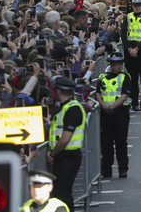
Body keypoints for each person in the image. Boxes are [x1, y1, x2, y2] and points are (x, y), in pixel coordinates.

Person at [47, 76, 86, 212]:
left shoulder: (72, 109)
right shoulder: (66, 108)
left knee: (63, 194)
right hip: (63, 157)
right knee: (61, 193)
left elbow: (65, 138)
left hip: (68, 157)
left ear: (58, 91)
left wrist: (52, 153)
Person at [95, 51, 132, 178]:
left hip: (120, 113)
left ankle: (122, 169)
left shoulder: (125, 77)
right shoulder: (102, 77)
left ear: (121, 65)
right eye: (112, 64)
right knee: (106, 143)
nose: (114, 66)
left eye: (116, 64)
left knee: (121, 142)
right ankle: (106, 169)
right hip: (105, 114)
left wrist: (111, 107)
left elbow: (125, 95)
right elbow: (98, 93)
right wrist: (104, 106)